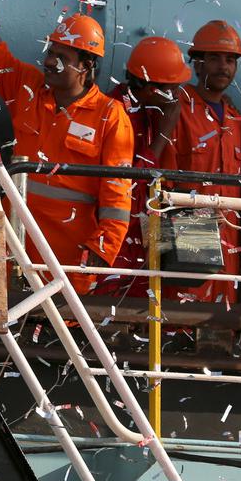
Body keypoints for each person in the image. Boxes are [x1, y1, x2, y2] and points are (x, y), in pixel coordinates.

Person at [0, 0, 133, 295]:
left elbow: (117, 198)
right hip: (13, 252)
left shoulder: (111, 117)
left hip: (67, 262)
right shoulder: (26, 87)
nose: (49, 61)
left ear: (86, 66)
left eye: (61, 56)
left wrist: (102, 249)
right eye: (50, 51)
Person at [158, 20, 241, 305]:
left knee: (221, 327)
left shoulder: (235, 119)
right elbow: (163, 183)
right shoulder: (177, 109)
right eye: (214, 58)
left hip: (229, 240)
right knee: (183, 319)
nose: (224, 66)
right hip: (188, 230)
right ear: (196, 64)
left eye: (231, 60)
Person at [102, 35, 192, 297]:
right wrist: (163, 135)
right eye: (171, 89)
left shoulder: (154, 110)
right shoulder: (112, 112)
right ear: (148, 87)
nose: (176, 97)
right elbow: (128, 180)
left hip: (149, 237)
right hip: (116, 239)